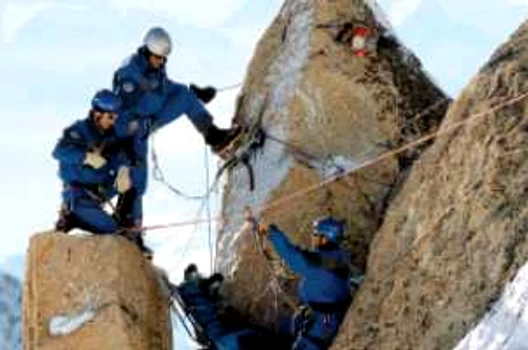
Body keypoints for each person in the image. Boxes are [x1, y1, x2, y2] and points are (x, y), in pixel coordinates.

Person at [111, 26, 242, 238]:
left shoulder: (155, 67)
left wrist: (196, 94)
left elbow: (167, 88)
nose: (161, 62)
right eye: (158, 58)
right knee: (136, 181)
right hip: (132, 132)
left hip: (149, 118)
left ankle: (215, 137)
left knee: (185, 96)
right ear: (147, 51)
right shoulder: (129, 74)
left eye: (164, 59)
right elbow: (120, 112)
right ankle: (130, 229)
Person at [53, 89, 149, 253]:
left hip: (101, 189)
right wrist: (85, 157)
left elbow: (120, 157)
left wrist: (123, 170)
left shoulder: (110, 137)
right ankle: (72, 218)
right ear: (98, 114)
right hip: (78, 195)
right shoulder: (78, 131)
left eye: (116, 117)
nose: (113, 121)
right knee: (112, 230)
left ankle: (128, 223)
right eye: (110, 117)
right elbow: (59, 152)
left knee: (135, 177)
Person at [249, 216, 353, 350]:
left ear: (325, 238)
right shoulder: (332, 256)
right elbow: (302, 256)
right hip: (317, 315)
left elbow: (294, 256)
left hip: (325, 321)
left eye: (316, 234)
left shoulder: (325, 260)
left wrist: (271, 233)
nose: (313, 237)